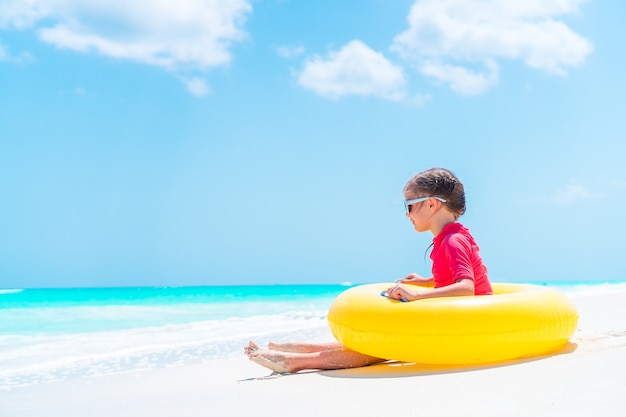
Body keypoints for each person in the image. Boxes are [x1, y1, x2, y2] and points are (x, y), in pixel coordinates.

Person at [245, 167, 492, 373]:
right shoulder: (449, 238)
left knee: (381, 346)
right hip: (457, 318)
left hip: (471, 325)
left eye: (409, 206)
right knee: (379, 339)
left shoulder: (452, 240)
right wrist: (426, 281)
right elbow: (455, 277)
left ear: (430, 204)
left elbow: (466, 288)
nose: (407, 215)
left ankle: (294, 361)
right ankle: (292, 348)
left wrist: (416, 295)